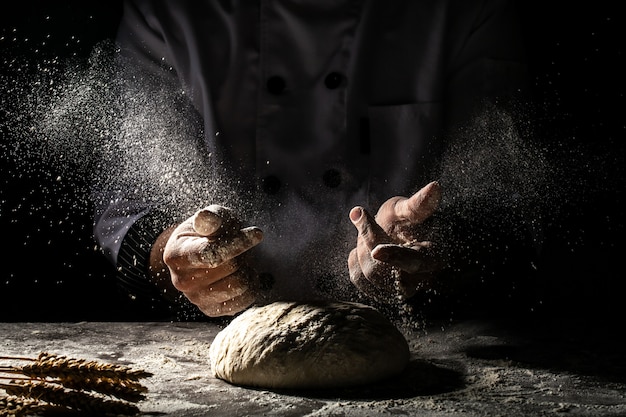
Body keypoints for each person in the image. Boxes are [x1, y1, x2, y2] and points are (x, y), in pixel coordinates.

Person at [94, 0, 530, 320]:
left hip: (428, 339)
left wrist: (438, 246)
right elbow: (130, 212)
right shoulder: (166, 12)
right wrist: (181, 256)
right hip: (218, 339)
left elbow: (505, 209)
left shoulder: (468, 10)